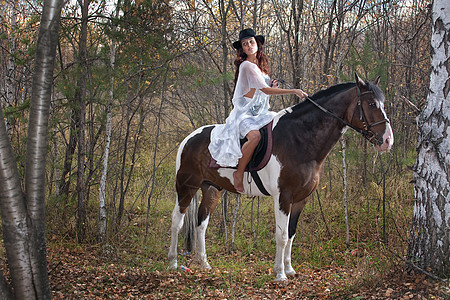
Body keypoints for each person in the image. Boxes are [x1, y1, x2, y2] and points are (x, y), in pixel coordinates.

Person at [208, 28, 308, 193]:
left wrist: (270, 86)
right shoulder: (247, 66)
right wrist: (294, 91)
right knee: (255, 137)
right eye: (245, 44)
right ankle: (239, 174)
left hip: (259, 114)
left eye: (251, 42)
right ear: (242, 49)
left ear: (257, 44)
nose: (248, 46)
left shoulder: (260, 68)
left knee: (280, 127)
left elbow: (257, 93)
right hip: (244, 115)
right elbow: (264, 91)